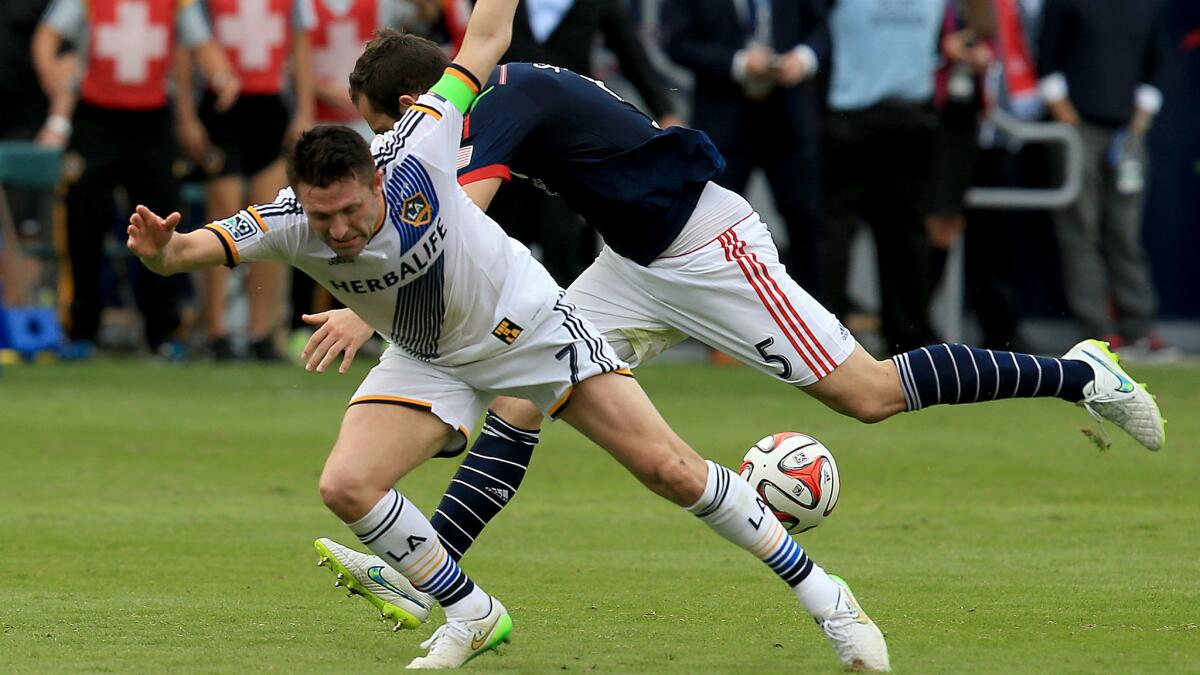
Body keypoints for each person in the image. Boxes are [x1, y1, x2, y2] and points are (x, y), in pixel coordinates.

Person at [301, 26, 1163, 649]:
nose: (380, 146)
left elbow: (459, 214)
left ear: (409, 106)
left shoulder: (496, 107)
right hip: (632, 262)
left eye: (379, 126)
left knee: (868, 394)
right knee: (525, 398)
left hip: (709, 251)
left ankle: (1079, 374)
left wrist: (366, 294)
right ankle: (433, 566)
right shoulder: (497, 91)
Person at [124, 1, 892, 669]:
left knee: (669, 469)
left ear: (375, 175)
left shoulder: (421, 145)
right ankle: (471, 612)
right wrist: (161, 251)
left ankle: (829, 597)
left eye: (351, 211)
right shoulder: (290, 220)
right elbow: (191, 249)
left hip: (530, 328)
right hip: (430, 350)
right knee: (346, 485)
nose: (342, 230)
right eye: (324, 220)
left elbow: (487, 33)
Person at [32, 0, 240, 358]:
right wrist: (53, 77)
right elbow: (46, 37)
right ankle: (82, 330)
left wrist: (223, 76)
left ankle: (162, 331)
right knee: (85, 221)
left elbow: (202, 45)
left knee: (161, 224)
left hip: (152, 123)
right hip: (95, 120)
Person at [174, 0, 316, 360]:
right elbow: (187, 48)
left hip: (269, 105)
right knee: (223, 213)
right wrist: (187, 115)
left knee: (269, 220)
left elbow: (300, 46)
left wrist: (304, 110)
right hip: (221, 107)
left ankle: (260, 332)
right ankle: (217, 330)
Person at [1036, 0, 1173, 356]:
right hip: (1076, 130)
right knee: (1079, 230)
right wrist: (1068, 121)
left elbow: (1156, 65)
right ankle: (1096, 330)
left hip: (1128, 133)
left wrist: (1138, 123)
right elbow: (1046, 60)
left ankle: (1139, 327)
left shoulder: (1148, 7)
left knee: (1125, 231)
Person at [661, 0, 828, 289]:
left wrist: (803, 58)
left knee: (806, 224)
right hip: (724, 119)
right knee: (713, 229)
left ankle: (813, 320)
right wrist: (738, 62)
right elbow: (677, 43)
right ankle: (714, 317)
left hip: (789, 118)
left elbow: (821, 28)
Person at [818, 0, 946, 353]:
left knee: (843, 230)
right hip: (896, 116)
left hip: (857, 115)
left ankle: (826, 339)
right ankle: (907, 337)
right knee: (899, 234)